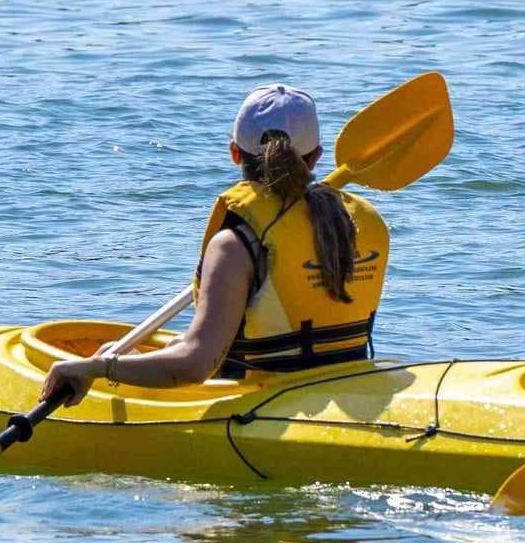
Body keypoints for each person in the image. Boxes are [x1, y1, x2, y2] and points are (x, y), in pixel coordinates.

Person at [43, 84, 390, 402]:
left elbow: (193, 366)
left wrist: (94, 370)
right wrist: (129, 360)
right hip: (350, 388)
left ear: (235, 154)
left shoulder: (237, 243)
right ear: (315, 156)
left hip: (262, 404)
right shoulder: (355, 221)